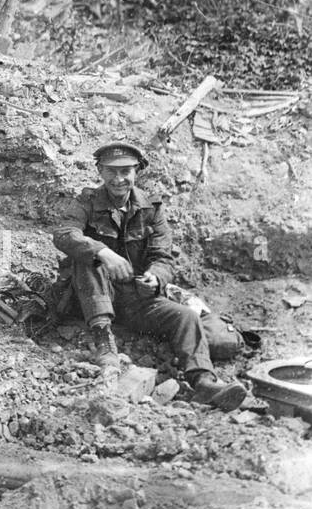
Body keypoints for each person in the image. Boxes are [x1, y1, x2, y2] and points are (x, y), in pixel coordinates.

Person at [52, 141, 247, 411]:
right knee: (88, 261)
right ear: (100, 171)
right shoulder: (86, 202)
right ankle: (105, 344)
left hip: (135, 299)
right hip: (90, 296)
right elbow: (64, 234)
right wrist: (103, 252)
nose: (118, 179)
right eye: (111, 171)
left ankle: (203, 382)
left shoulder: (152, 209)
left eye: (126, 172)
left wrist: (155, 278)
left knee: (186, 315)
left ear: (137, 172)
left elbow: (163, 258)